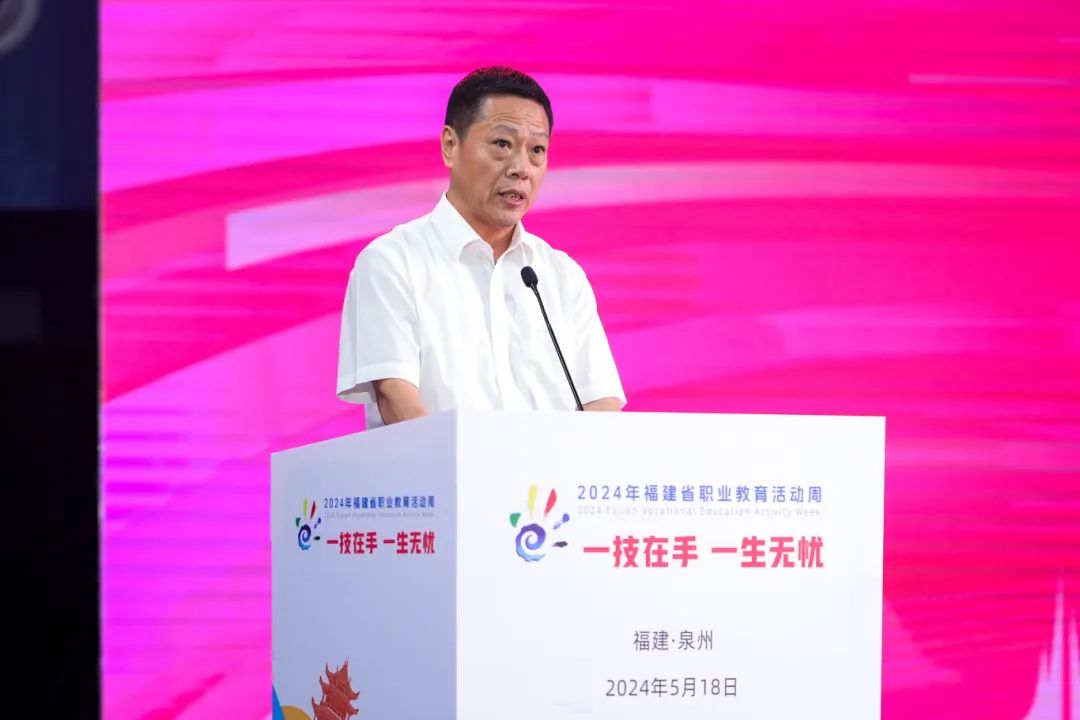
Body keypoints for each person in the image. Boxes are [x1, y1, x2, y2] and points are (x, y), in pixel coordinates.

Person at [336, 66, 625, 427]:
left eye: (537, 150)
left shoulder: (561, 275)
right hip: (442, 465)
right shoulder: (392, 262)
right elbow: (396, 399)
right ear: (450, 145)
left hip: (551, 467)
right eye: (502, 144)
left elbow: (602, 404)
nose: (521, 168)